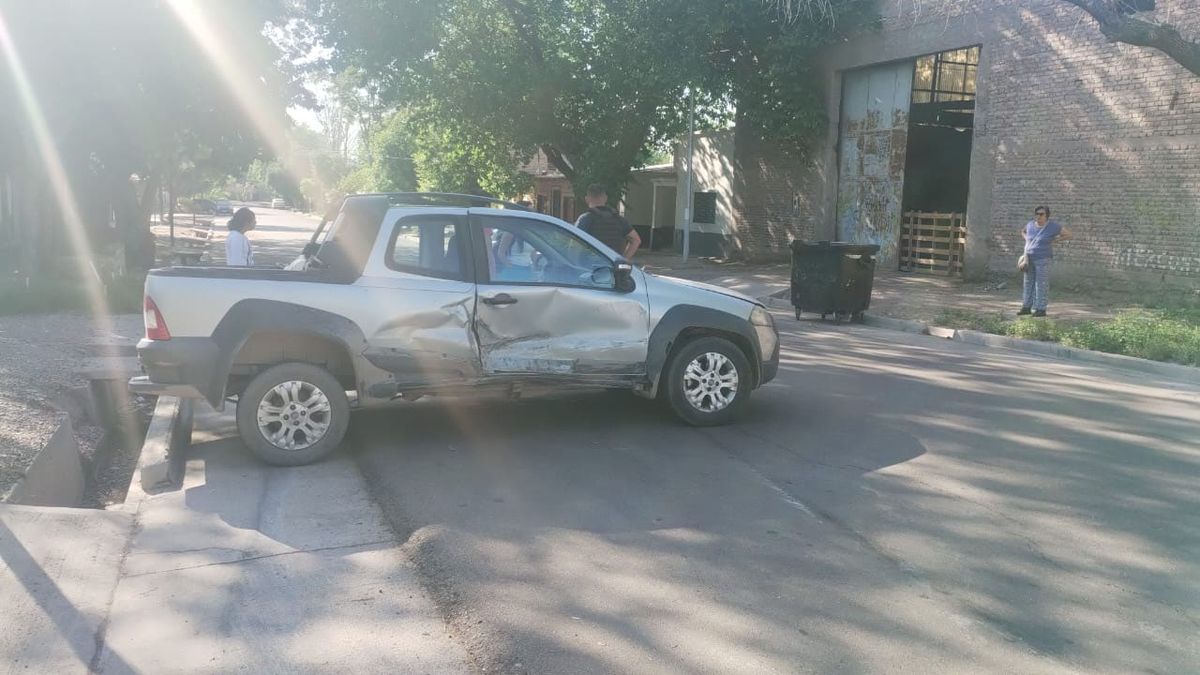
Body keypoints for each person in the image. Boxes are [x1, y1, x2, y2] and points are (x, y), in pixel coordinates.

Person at [1019, 205, 1072, 317]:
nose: (1038, 216)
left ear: (1047, 215)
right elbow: (1023, 231)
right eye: (1037, 214)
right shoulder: (1030, 225)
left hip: (1043, 259)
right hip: (1029, 258)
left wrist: (1055, 240)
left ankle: (1041, 309)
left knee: (1041, 284)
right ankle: (1026, 307)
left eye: (1041, 214)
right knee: (1028, 283)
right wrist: (1027, 238)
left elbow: (1068, 234)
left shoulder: (1053, 226)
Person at [574, 184, 641, 259]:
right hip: (612, 266)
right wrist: (623, 259)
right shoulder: (619, 219)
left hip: (590, 266)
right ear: (605, 198)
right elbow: (636, 240)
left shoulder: (585, 219)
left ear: (587, 199)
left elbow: (574, 244)